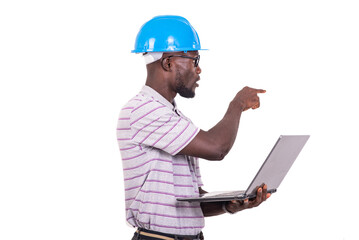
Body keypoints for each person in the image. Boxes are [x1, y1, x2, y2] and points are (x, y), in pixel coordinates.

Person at [117, 15, 270, 240]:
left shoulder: (177, 120)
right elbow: (217, 148)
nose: (198, 70)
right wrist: (237, 104)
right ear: (168, 62)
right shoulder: (142, 111)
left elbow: (192, 199)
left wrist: (231, 204)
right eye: (194, 60)